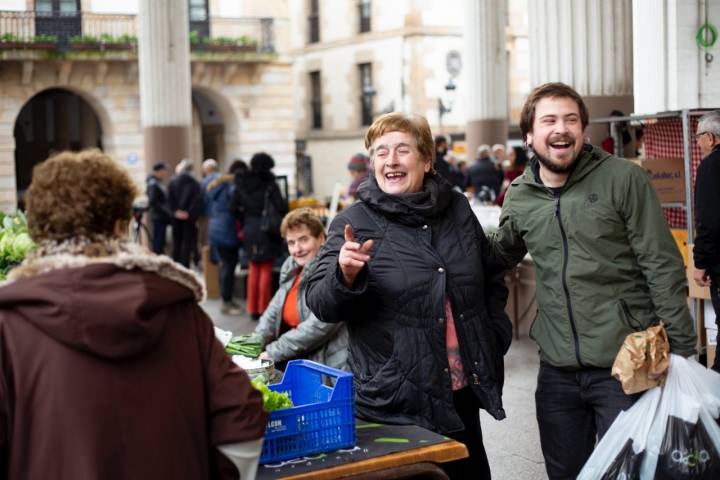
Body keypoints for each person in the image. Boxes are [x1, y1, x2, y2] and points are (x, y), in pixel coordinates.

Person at [0, 149, 267, 480]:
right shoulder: (179, 309)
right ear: (120, 223)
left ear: (38, 229)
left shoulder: (9, 325)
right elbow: (241, 412)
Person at [490, 82, 697, 479]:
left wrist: (683, 352)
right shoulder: (519, 194)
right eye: (548, 120)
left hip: (626, 364)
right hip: (556, 370)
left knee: (636, 471)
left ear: (583, 130)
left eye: (570, 119)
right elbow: (501, 252)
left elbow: (662, 265)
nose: (561, 129)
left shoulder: (623, 179)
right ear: (529, 135)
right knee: (565, 472)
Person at [306, 113, 511, 479]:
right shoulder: (353, 222)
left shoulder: (457, 210)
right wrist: (345, 275)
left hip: (460, 393)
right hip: (394, 400)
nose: (391, 160)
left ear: (427, 159)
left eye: (402, 150)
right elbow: (320, 303)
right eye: (381, 152)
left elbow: (488, 276)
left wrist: (493, 337)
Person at [255, 208, 348, 370]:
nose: (297, 249)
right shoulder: (291, 269)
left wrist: (271, 352)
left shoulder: (335, 272)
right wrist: (251, 345)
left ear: (321, 238)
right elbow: (271, 315)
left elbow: (316, 328)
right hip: (297, 357)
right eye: (291, 243)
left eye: (303, 240)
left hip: (327, 365)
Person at [231, 152, 288, 320]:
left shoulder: (242, 182)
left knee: (253, 267)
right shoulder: (270, 183)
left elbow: (233, 207)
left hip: (249, 228)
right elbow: (281, 206)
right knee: (265, 268)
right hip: (266, 229)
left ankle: (252, 308)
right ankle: (263, 309)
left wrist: (245, 218)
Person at [693, 110, 720, 373]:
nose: (698, 143)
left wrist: (700, 263)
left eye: (699, 137)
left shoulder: (711, 166)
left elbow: (709, 222)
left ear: (711, 138)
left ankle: (715, 406)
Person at [206, 165, 242, 316]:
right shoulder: (231, 189)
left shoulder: (215, 190)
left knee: (225, 266)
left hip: (215, 229)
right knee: (228, 266)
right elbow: (235, 209)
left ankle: (227, 299)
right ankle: (226, 302)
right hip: (227, 230)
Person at [168, 159, 204, 268]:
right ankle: (185, 266)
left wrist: (175, 211)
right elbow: (197, 200)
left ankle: (175, 266)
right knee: (187, 243)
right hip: (189, 218)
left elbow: (169, 199)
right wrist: (189, 213)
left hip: (176, 217)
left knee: (176, 242)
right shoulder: (195, 182)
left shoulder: (173, 181)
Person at [146, 161, 172, 254]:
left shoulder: (158, 182)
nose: (165, 173)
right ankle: (158, 257)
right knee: (158, 240)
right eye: (164, 170)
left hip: (161, 216)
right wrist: (166, 210)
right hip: (159, 216)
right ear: (159, 171)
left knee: (161, 239)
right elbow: (153, 201)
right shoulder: (153, 183)